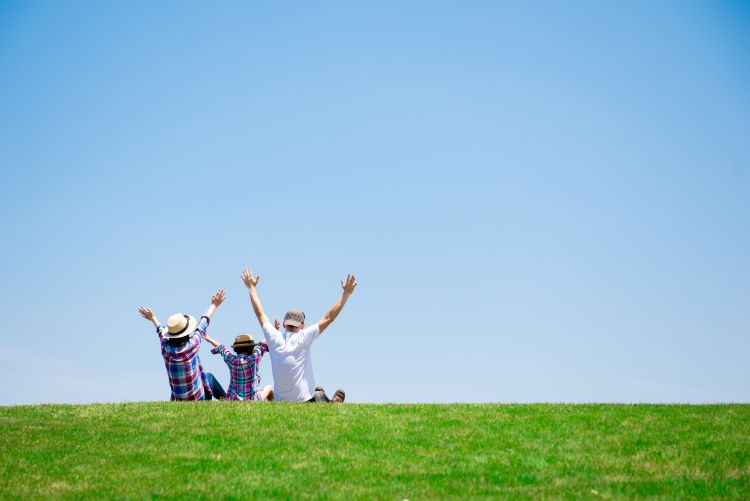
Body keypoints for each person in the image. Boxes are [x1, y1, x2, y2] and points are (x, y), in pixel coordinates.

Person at [240, 267, 357, 403]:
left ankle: (327, 399)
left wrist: (251, 288)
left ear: (284, 324)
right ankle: (333, 403)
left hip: (280, 402)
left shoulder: (273, 337)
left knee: (318, 390)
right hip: (304, 401)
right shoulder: (304, 337)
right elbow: (328, 318)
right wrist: (346, 294)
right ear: (302, 325)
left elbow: (260, 313)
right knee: (319, 394)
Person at [138, 289, 227, 401]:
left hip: (178, 400)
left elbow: (161, 330)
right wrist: (214, 305)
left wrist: (153, 318)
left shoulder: (166, 348)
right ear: (187, 331)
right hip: (198, 399)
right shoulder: (192, 345)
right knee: (209, 377)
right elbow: (202, 324)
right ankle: (228, 401)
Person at [202, 330, 274, 401]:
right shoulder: (254, 358)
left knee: (209, 376)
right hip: (253, 400)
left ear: (236, 349)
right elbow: (263, 343)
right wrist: (275, 331)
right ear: (252, 348)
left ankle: (205, 401)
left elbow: (221, 347)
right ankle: (273, 408)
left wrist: (209, 339)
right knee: (269, 387)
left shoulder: (231, 360)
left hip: (232, 400)